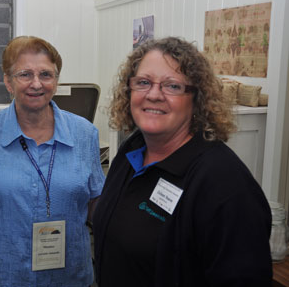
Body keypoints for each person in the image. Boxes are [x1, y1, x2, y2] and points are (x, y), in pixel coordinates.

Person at [92, 37, 272, 286]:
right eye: (143, 82)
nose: (154, 95)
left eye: (172, 86)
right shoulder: (130, 151)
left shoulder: (225, 184)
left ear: (197, 99)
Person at [0, 36, 105, 286]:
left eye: (46, 74)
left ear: (56, 80)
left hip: (70, 276)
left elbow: (97, 203)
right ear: (8, 81)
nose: (36, 84)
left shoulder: (84, 134)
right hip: (6, 276)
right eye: (25, 74)